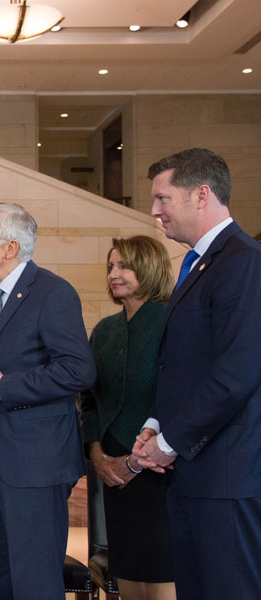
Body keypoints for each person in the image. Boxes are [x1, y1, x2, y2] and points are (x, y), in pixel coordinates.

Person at [131, 148, 261, 599]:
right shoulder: (197, 263)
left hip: (226, 474)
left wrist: (169, 443)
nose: (155, 211)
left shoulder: (244, 260)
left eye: (163, 198)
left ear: (201, 194)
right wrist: (155, 424)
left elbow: (236, 374)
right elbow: (185, 368)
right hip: (194, 472)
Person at [0, 203, 95, 600]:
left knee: (34, 581)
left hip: (36, 464)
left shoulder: (53, 292)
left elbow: (78, 371)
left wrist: (5, 388)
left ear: (11, 246)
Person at [79, 235, 176, 600]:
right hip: (113, 472)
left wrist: (141, 457)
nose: (113, 274)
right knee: (129, 571)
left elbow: (180, 395)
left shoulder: (172, 321)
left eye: (123, 265)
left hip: (161, 467)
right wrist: (96, 452)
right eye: (110, 267)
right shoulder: (104, 331)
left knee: (163, 570)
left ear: (149, 268)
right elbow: (88, 398)